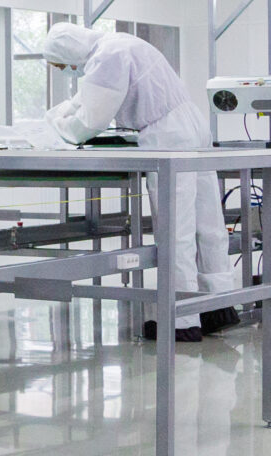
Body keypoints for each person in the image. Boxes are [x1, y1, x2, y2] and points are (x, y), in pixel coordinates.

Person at [41, 23, 234, 343]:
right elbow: (85, 99)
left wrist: (57, 128)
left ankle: (181, 321)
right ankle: (220, 307)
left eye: (61, 64)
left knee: (177, 232)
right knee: (209, 225)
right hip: (194, 127)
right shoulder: (118, 44)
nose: (65, 70)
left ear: (68, 52)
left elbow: (89, 120)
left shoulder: (106, 58)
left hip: (169, 138)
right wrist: (59, 113)